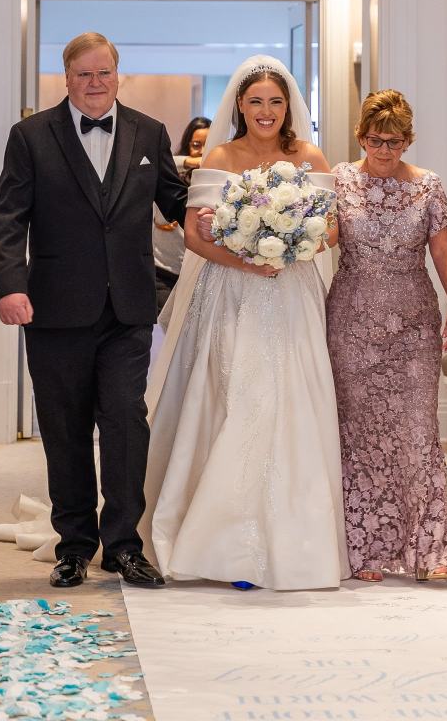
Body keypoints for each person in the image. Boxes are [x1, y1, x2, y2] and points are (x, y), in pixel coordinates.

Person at [143, 56, 350, 591]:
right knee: (237, 396)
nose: (266, 111)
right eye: (256, 101)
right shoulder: (222, 154)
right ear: (239, 104)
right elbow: (193, 235)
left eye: (276, 102)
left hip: (293, 294)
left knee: (294, 400)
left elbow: (329, 228)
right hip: (232, 292)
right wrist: (248, 260)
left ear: (289, 108)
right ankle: (228, 543)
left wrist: (294, 244)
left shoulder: (309, 156)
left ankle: (297, 541)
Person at [0, 31, 187, 591]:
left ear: (117, 75)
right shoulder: (30, 136)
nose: (95, 83)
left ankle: (123, 545)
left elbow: (176, 199)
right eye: (83, 74)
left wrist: (239, 200)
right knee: (65, 429)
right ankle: (74, 546)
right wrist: (10, 285)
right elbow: (8, 216)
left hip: (128, 308)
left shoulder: (149, 132)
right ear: (67, 78)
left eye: (103, 73)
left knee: (126, 423)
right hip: (53, 308)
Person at [326, 89, 447, 583]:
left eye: (394, 141)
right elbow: (327, 237)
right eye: (374, 140)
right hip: (352, 322)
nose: (383, 150)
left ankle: (431, 550)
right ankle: (364, 550)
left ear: (408, 140)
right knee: (360, 436)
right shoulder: (340, 180)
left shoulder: (428, 186)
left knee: (418, 432)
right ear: (360, 137)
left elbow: (443, 250)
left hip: (413, 324)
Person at [153, 117, 211, 316]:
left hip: (199, 273)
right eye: (196, 145)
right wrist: (191, 161)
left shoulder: (217, 181)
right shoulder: (171, 175)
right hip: (164, 271)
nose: (202, 151)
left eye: (208, 145)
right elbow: (162, 161)